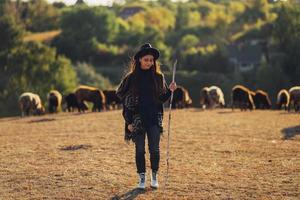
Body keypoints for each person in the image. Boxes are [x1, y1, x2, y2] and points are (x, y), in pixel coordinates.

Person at [116, 43, 177, 189]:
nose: (149, 62)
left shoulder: (158, 77)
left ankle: (154, 176)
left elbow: (162, 99)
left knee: (155, 149)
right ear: (139, 60)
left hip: (154, 118)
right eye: (146, 60)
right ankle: (141, 178)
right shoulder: (131, 78)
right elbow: (123, 97)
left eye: (151, 60)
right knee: (139, 150)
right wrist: (128, 122)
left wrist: (170, 90)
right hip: (136, 119)